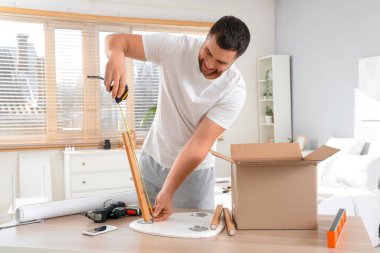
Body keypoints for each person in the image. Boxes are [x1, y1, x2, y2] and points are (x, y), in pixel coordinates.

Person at [104, 16, 250, 221]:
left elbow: (199, 145)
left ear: (234, 61)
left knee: (194, 241)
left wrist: (169, 190)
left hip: (194, 174)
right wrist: (116, 56)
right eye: (208, 52)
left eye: (220, 62)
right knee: (148, 233)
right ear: (206, 39)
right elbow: (116, 40)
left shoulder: (234, 90)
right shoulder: (175, 47)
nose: (208, 64)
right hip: (152, 161)